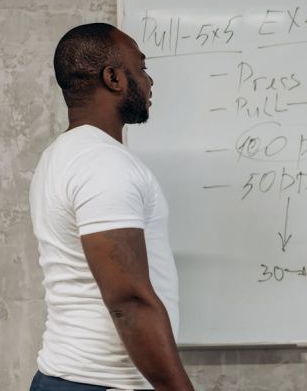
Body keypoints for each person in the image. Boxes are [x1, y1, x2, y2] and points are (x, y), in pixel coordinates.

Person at [28, 23, 193, 391]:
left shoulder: (59, 156)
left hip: (68, 377)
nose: (150, 82)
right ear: (114, 78)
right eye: (142, 68)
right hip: (102, 384)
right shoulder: (104, 164)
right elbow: (128, 300)